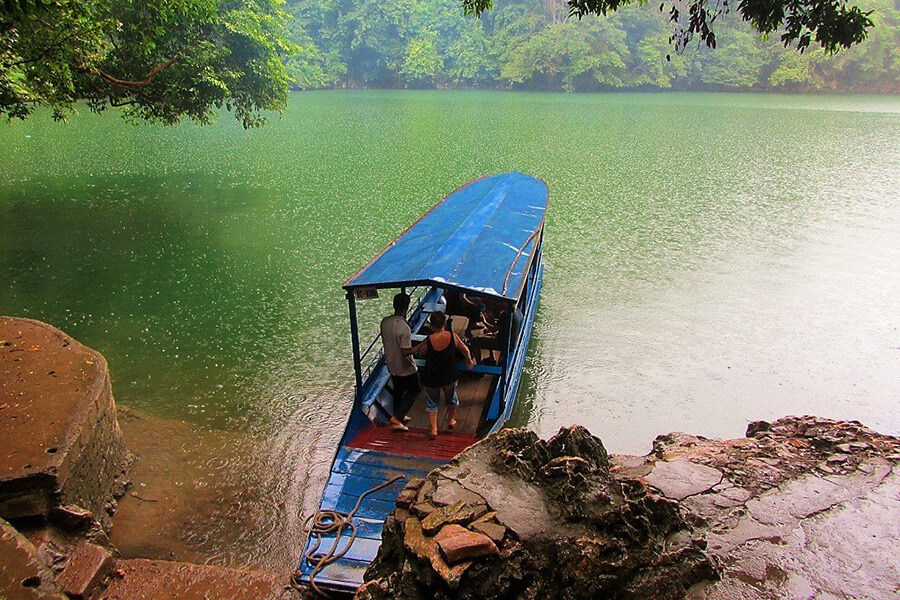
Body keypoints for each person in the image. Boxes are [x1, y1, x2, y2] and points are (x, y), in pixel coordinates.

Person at [403, 311, 475, 439]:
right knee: (451, 398)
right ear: (445, 323)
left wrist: (404, 352)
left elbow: (417, 350)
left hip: (432, 376)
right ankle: (450, 421)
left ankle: (434, 429)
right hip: (449, 375)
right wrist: (469, 360)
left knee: (432, 403)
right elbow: (465, 349)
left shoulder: (429, 340)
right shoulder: (452, 336)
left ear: (431, 325)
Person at [380, 292, 420, 432]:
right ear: (407, 307)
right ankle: (397, 418)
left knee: (398, 389)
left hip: (391, 363)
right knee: (415, 389)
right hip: (405, 366)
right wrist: (420, 347)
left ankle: (399, 414)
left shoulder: (385, 322)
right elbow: (405, 351)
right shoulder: (404, 328)